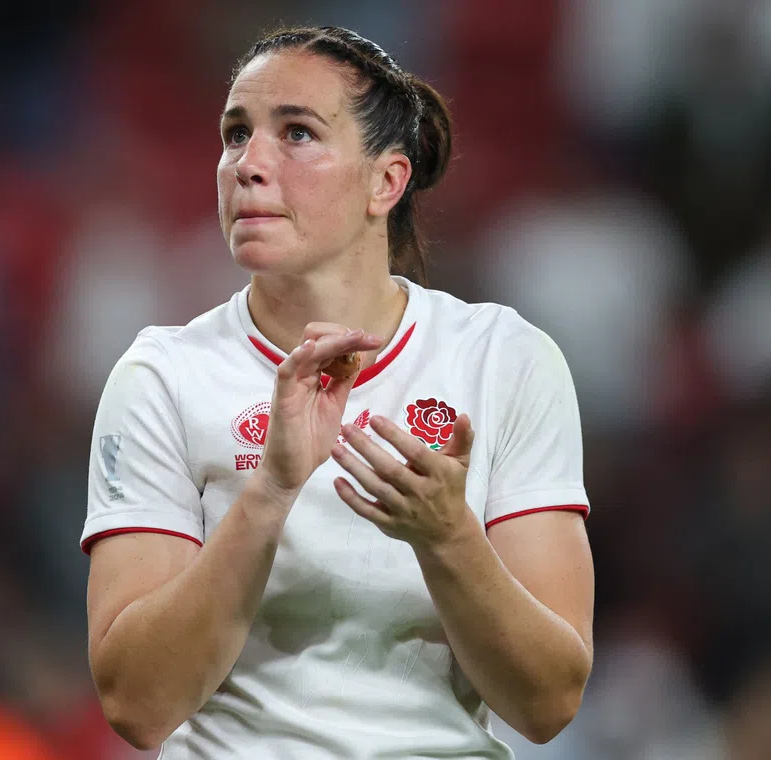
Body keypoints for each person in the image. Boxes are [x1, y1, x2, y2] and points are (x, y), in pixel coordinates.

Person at [82, 26, 594, 759]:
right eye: (235, 134)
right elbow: (137, 703)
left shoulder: (505, 361)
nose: (248, 164)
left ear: (386, 181)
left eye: (296, 133)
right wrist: (269, 492)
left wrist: (447, 536)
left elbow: (548, 703)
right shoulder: (162, 377)